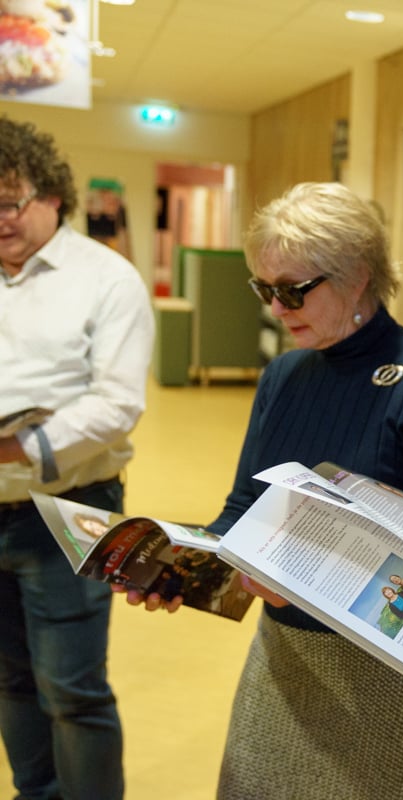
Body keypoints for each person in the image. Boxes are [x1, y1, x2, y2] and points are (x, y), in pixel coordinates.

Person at [123, 182, 403, 800]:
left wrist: (308, 585)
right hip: (285, 653)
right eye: (264, 289)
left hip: (387, 678)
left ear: (358, 277)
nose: (277, 308)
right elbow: (242, 509)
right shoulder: (283, 375)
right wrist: (183, 564)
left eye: (292, 290)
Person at [0, 116, 154, 800]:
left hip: (68, 510)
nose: (0, 218)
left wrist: (13, 447)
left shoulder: (106, 279)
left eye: (10, 201)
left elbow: (117, 403)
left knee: (71, 688)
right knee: (10, 679)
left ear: (53, 195)